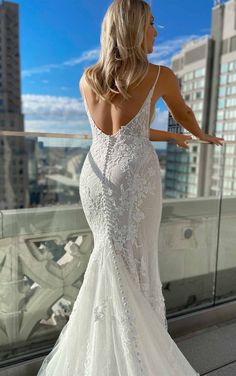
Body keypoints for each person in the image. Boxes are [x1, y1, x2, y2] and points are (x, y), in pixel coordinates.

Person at [37, 0, 224, 375]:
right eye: (152, 23)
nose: (157, 31)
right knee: (136, 267)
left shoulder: (88, 78)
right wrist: (198, 133)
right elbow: (182, 114)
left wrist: (170, 139)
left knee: (108, 257)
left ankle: (104, 357)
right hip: (135, 176)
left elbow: (120, 130)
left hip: (94, 177)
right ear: (136, 28)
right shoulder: (159, 75)